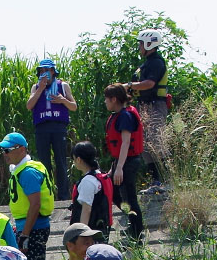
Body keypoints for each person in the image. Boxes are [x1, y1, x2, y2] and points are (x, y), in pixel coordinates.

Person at [0, 131, 55, 260]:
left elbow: (35, 205)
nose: (5, 153)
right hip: (27, 226)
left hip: (34, 227)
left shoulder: (28, 172)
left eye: (8, 150)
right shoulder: (20, 170)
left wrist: (25, 234)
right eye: (3, 150)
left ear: (22, 149)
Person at [123, 29, 169, 193]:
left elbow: (149, 84)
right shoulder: (146, 63)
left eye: (141, 43)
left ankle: (164, 181)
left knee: (156, 142)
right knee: (147, 146)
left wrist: (128, 86)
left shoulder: (156, 62)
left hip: (155, 105)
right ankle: (155, 181)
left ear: (149, 43)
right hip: (145, 106)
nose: (139, 47)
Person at [25, 58, 77, 198]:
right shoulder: (36, 87)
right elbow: (29, 106)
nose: (44, 74)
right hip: (42, 128)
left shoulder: (63, 86)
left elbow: (74, 106)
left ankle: (64, 196)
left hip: (58, 127)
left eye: (47, 70)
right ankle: (47, 195)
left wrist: (63, 100)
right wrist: (40, 89)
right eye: (41, 71)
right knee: (44, 163)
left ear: (53, 71)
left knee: (61, 161)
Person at [104, 83, 145, 241]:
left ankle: (136, 232)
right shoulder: (118, 114)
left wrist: (119, 168)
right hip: (120, 161)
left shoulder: (126, 116)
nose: (105, 102)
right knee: (113, 192)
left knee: (129, 197)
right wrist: (113, 168)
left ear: (114, 99)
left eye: (107, 99)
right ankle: (133, 222)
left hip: (128, 162)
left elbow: (126, 142)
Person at [69, 141, 115, 236]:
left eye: (73, 159)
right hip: (101, 229)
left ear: (78, 159)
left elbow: (86, 209)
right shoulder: (100, 175)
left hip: (90, 232)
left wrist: (82, 234)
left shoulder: (88, 181)